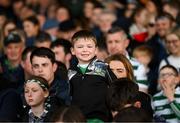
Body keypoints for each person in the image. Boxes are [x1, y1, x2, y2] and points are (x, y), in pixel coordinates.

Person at [68, 30, 116, 121]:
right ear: (73, 50)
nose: (85, 50)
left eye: (89, 46)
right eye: (80, 47)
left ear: (96, 50)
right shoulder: (70, 73)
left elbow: (115, 87)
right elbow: (67, 97)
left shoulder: (103, 67)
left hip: (100, 117)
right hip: (77, 119)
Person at [106, 26, 148, 93]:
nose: (113, 46)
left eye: (117, 41)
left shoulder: (138, 66)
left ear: (126, 43)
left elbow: (141, 94)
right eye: (110, 42)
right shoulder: (99, 65)